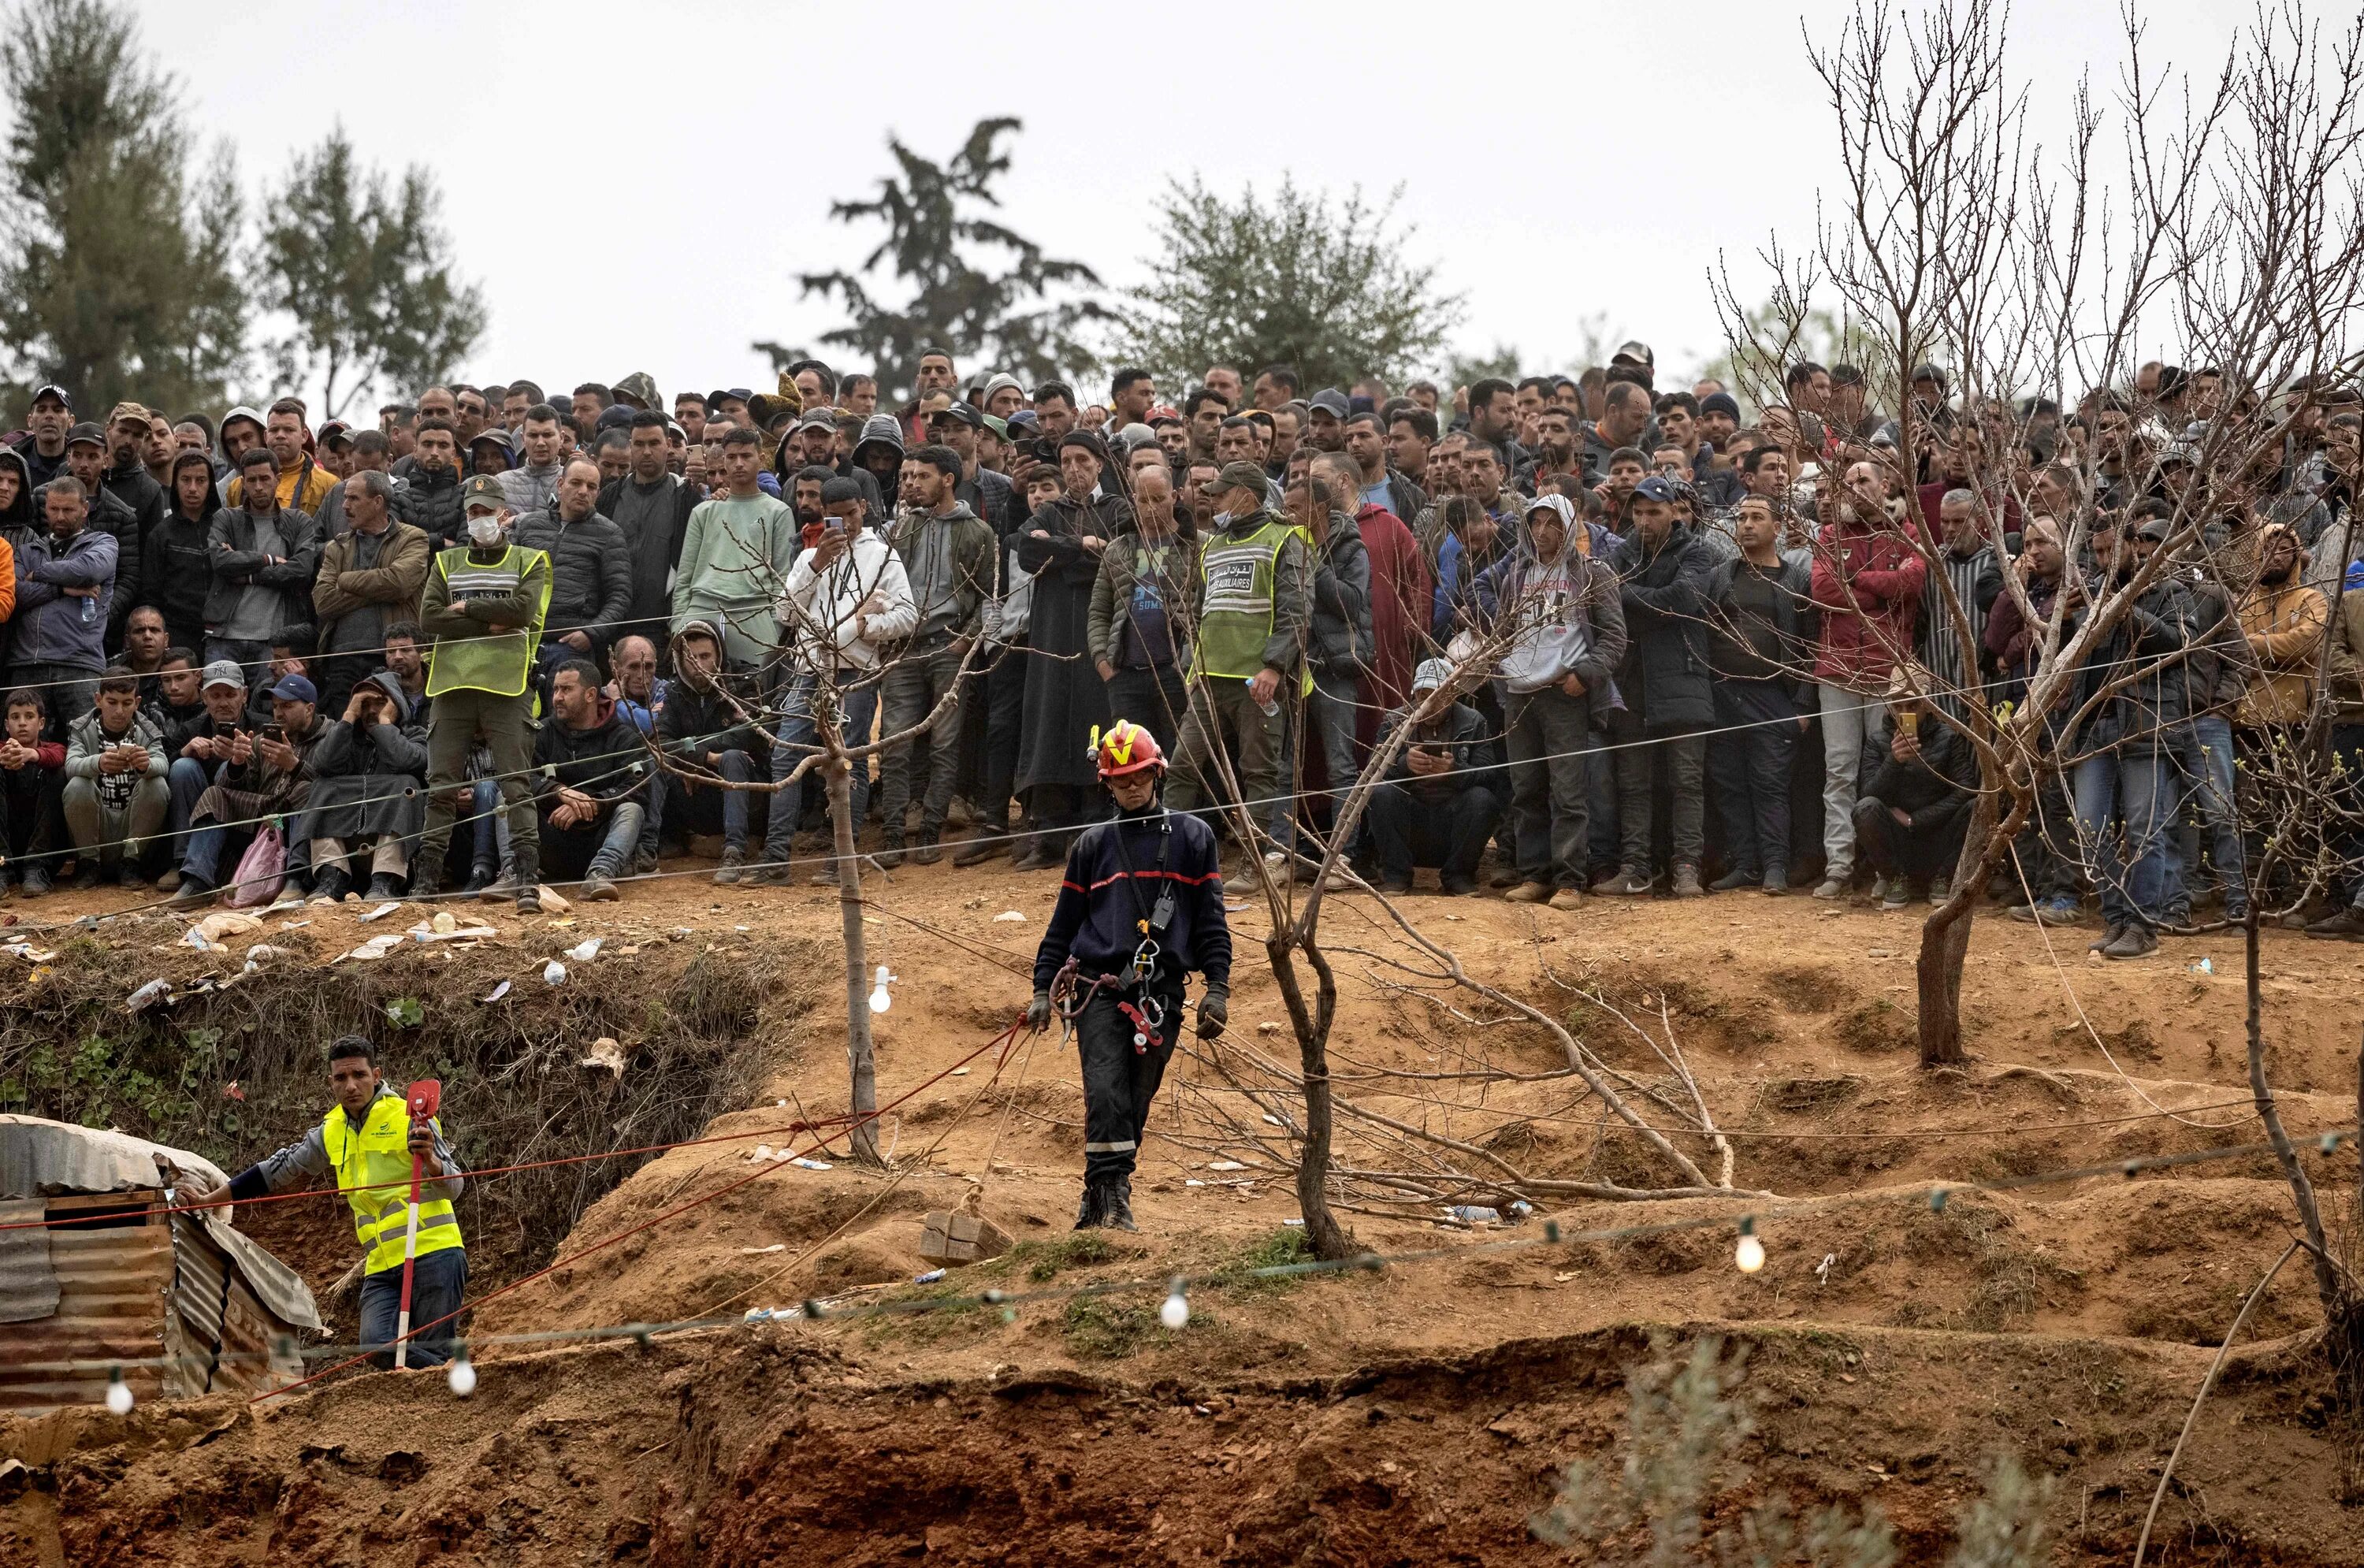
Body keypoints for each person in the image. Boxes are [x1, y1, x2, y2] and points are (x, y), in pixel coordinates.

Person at [1026, 721, 1230, 1231]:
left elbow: (1211, 922)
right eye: (1121, 780)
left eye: (1140, 776)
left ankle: (1103, 1193)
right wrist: (1039, 988)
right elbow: (1063, 925)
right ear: (1107, 785)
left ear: (1157, 774)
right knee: (1106, 1091)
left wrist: (1218, 989)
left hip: (1162, 992)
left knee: (1136, 1100)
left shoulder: (1193, 837)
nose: (1132, 786)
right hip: (1100, 987)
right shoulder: (1092, 846)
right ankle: (1111, 1198)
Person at [221, 1035, 466, 1368]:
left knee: (431, 1351)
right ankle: (454, 1375)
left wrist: (432, 1163)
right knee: (377, 1345)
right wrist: (210, 1199)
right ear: (331, 1082)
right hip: (380, 1262)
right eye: (341, 1078)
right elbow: (279, 1168)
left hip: (434, 1253)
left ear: (376, 1074)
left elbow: (454, 1186)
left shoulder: (410, 1117)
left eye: (360, 1075)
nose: (351, 1085)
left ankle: (450, 1384)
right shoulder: (332, 1129)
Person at [755, 476, 914, 886]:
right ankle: (775, 859)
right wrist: (815, 565)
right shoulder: (810, 555)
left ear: (863, 506)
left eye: (852, 514)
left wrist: (867, 626)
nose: (847, 523)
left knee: (849, 760)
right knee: (786, 756)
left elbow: (908, 616)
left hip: (854, 671)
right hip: (809, 667)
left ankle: (842, 859)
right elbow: (785, 613)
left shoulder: (883, 557)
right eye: (836, 516)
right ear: (823, 514)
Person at [404, 476, 552, 911]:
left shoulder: (531, 559)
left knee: (516, 784)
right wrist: (491, 621)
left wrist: (466, 608)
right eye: (474, 511)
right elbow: (429, 618)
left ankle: (526, 879)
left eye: (488, 511)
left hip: (508, 685)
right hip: (451, 685)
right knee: (441, 788)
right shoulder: (446, 562)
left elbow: (524, 612)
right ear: (466, 515)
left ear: (504, 513)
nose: (481, 519)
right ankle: (426, 884)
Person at [1477, 493, 1628, 906]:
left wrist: (1586, 674)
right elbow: (1505, 630)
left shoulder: (1592, 573)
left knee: (1568, 791)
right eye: (1534, 523)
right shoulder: (1517, 574)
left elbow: (1615, 637)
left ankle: (1570, 879)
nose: (1542, 532)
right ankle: (1535, 874)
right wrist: (1501, 669)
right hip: (1519, 692)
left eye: (1551, 523)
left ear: (1567, 527)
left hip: (1565, 695)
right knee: (1525, 789)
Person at [1161, 460, 1308, 868]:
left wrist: (1275, 668)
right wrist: (1193, 666)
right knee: (1182, 766)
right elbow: (1197, 610)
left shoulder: (1285, 539)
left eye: (1222, 494)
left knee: (1258, 774)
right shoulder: (1212, 545)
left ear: (1245, 494)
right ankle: (1164, 857)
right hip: (1209, 677)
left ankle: (1252, 864)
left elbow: (1297, 611)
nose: (1216, 502)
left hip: (1257, 680)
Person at [1808, 459, 1927, 898]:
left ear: (1885, 485)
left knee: (1892, 766)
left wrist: (1856, 578)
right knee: (1839, 768)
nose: (1854, 488)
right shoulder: (1829, 535)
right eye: (1847, 482)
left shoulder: (1907, 533)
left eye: (1863, 480)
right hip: (1836, 669)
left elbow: (1912, 583)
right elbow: (1822, 590)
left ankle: (1885, 867)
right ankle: (1839, 867)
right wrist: (1879, 587)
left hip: (1889, 670)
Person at [1012, 434, 1127, 868]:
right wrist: (1079, 546)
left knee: (1098, 724)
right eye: (1066, 460)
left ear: (1099, 464)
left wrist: (1059, 553)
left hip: (1103, 634)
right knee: (1051, 723)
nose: (1074, 467)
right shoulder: (1049, 510)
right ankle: (1050, 837)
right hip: (1053, 634)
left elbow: (1118, 557)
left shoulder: (1117, 510)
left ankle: (1097, 829)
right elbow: (1027, 549)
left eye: (1083, 459)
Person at [877, 444, 994, 867]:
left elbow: (989, 597)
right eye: (907, 476)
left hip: (949, 646)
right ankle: (892, 835)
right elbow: (877, 587)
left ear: (947, 479)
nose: (911, 483)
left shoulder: (978, 531)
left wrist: (968, 639)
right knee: (894, 744)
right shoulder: (897, 531)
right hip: (903, 649)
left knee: (946, 744)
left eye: (921, 476)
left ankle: (930, 828)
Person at [1603, 475, 1715, 897]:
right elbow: (1607, 605)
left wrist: (1627, 595)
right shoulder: (1620, 553)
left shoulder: (1696, 552)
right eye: (1638, 511)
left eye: (1654, 511)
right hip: (1630, 682)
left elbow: (1684, 600)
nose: (1645, 519)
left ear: (1673, 511)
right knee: (1633, 783)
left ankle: (1687, 867)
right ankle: (1635, 868)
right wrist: (1652, 600)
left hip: (1683, 679)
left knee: (1686, 781)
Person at [1705, 495, 1815, 893]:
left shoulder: (1796, 580)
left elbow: (1809, 648)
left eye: (1757, 517)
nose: (1747, 524)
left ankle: (1775, 867)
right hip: (1723, 695)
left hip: (1773, 697)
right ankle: (1747, 864)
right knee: (1729, 783)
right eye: (1742, 518)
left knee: (1770, 784)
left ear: (1777, 528)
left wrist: (1802, 705)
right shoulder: (1721, 576)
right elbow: (1702, 633)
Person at [168, 671, 326, 905]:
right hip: (263, 820)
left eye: (287, 706)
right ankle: (197, 881)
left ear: (309, 709)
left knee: (305, 789)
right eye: (275, 706)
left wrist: (293, 765)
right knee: (216, 794)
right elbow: (236, 787)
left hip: (299, 824)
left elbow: (329, 787)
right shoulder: (261, 739)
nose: (279, 713)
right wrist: (237, 763)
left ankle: (296, 880)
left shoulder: (329, 736)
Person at [1366, 659, 1505, 895]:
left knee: (1483, 799)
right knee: (1380, 794)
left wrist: (1455, 772)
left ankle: (1458, 875)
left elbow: (1490, 775)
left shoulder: (1474, 721)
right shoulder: (1396, 720)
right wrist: (1404, 765)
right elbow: (1371, 772)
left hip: (1453, 820)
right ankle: (1396, 874)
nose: (1430, 704)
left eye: (1438, 695)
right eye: (1423, 696)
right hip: (1410, 819)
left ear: (1452, 693)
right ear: (1414, 695)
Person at [672, 427, 797, 678]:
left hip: (754, 613)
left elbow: (782, 578)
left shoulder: (778, 512)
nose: (739, 464)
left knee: (754, 699)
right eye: (731, 457)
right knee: (693, 697)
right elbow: (685, 576)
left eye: (746, 456)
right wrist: (679, 623)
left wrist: (773, 628)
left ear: (761, 459)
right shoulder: (704, 511)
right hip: (702, 610)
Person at [1852, 667, 1979, 909]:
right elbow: (1866, 797)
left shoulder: (1947, 736)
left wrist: (1916, 819)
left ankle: (1944, 878)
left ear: (1927, 703)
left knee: (1977, 807)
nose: (1905, 712)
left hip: (1940, 838)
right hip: (1897, 843)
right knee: (1865, 809)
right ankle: (1895, 880)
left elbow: (1967, 790)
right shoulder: (1878, 741)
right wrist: (1894, 761)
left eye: (1912, 705)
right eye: (1898, 706)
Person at [1089, 465, 1196, 752]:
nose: (1151, 508)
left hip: (1174, 673)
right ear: (1133, 499)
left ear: (1175, 496)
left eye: (1159, 499)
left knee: (1178, 759)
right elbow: (1099, 611)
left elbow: (1202, 610)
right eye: (1143, 500)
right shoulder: (1118, 549)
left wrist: (1183, 665)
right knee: (1130, 758)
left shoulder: (1195, 546)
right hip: (1126, 675)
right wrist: (1104, 663)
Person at [311, 470, 429, 715]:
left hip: (395, 655)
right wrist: (381, 587)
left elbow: (400, 583)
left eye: (353, 498)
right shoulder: (337, 547)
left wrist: (345, 580)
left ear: (377, 502)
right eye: (345, 498)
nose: (344, 506)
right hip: (343, 658)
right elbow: (323, 602)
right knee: (345, 731)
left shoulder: (413, 538)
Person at [655, 620, 766, 882]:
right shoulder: (674, 693)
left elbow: (748, 736)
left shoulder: (744, 683)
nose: (698, 665)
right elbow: (659, 740)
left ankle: (734, 851)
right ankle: (659, 843)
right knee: (651, 764)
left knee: (733, 757)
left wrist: (701, 758)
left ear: (719, 655)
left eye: (705, 656)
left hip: (750, 795)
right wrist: (700, 759)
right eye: (691, 658)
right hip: (697, 798)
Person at [305, 671, 429, 902]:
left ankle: (384, 883)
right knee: (323, 786)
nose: (372, 710)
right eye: (365, 704)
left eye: (381, 703)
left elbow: (404, 761)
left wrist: (385, 724)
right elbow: (322, 765)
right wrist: (349, 716)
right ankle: (331, 879)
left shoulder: (417, 736)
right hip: (350, 845)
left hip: (398, 853)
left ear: (396, 706)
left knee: (406, 785)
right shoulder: (348, 739)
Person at [532, 659, 649, 900]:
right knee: (508, 797)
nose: (557, 698)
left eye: (566, 690)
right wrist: (557, 791)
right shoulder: (541, 734)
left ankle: (600, 875)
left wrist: (594, 804)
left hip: (602, 839)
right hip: (550, 839)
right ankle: (518, 874)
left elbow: (637, 788)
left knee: (632, 809)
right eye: (555, 689)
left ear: (590, 695)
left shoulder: (624, 738)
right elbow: (520, 777)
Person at [12, 476, 118, 735]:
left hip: (79, 664)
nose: (59, 516)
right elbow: (16, 593)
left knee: (89, 748)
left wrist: (38, 574)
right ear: (46, 507)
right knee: (19, 752)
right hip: (28, 663)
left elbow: (88, 570)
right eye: (53, 508)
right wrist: (61, 589)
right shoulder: (27, 550)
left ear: (85, 509)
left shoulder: (104, 542)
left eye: (68, 510)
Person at [206, 446, 323, 677]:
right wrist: (268, 559)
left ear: (278, 479)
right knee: (217, 707)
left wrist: (249, 575)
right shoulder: (226, 518)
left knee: (271, 706)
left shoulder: (299, 521)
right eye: (252, 480)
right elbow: (220, 561)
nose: (258, 487)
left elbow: (302, 570)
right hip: (225, 636)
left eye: (265, 479)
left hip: (275, 641)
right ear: (243, 482)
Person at [511, 457, 631, 664]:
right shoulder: (529, 525)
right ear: (561, 485)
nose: (583, 491)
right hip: (521, 641)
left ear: (597, 493)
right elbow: (508, 577)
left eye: (591, 486)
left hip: (571, 648)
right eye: (576, 483)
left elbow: (620, 596)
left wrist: (590, 633)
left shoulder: (610, 534)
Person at [600, 411, 701, 655]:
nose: (647, 451)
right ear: (631, 446)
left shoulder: (686, 497)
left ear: (668, 445)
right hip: (611, 624)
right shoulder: (609, 496)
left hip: (662, 626)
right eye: (640, 444)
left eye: (654, 443)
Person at [61, 667, 167, 886]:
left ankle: (131, 862)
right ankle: (88, 863)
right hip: (95, 829)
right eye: (112, 702)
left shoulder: (147, 729)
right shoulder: (82, 727)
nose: (119, 710)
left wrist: (146, 765)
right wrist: (98, 763)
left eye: (127, 703)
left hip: (134, 830)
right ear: (98, 700)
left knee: (157, 784)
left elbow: (163, 764)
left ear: (137, 702)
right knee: (78, 784)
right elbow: (70, 765)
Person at [143, 449, 221, 656]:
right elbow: (151, 593)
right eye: (185, 480)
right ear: (175, 483)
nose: (193, 488)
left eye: (201, 480)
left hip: (223, 632)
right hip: (177, 633)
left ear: (211, 484)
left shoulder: (225, 527)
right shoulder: (161, 534)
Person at [0, 687, 64, 895]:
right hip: (9, 839)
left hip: (44, 846)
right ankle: (2, 867)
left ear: (42, 723)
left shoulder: (53, 748)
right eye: (15, 717)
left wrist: (31, 754)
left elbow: (60, 756)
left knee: (58, 772)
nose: (22, 723)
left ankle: (37, 868)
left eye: (29, 716)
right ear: (7, 725)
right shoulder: (3, 749)